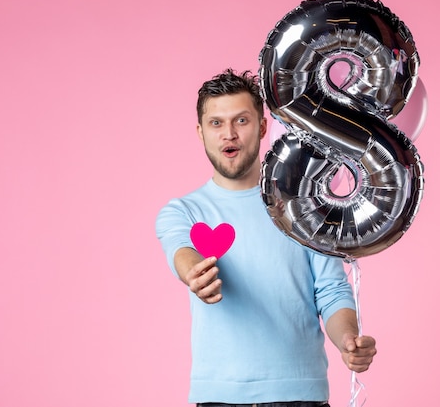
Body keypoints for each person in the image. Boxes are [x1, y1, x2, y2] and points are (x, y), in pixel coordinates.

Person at [155, 68, 377, 407]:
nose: (229, 134)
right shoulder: (183, 211)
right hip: (219, 398)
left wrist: (348, 339)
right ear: (200, 133)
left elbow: (331, 291)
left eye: (241, 121)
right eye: (216, 123)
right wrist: (195, 274)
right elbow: (181, 251)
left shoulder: (305, 208)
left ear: (261, 127)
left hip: (302, 396)